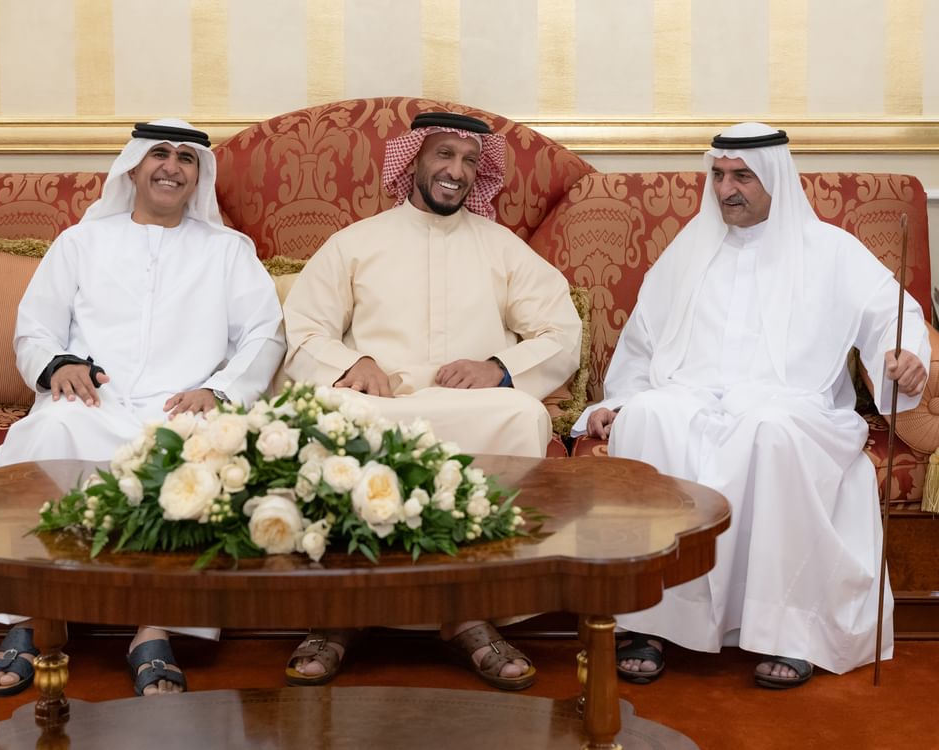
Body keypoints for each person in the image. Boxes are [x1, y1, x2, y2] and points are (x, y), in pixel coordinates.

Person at [572, 122, 929, 689]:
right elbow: (642, 341)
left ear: (775, 179)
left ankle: (789, 632)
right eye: (717, 175)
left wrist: (903, 355)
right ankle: (646, 623)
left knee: (769, 429)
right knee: (648, 417)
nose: (725, 189)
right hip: (690, 396)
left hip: (792, 405)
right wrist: (618, 401)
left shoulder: (831, 250)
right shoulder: (689, 249)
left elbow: (893, 314)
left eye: (741, 176)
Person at [0, 119, 286, 697]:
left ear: (198, 176)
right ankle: (30, 617)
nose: (172, 167)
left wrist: (220, 390)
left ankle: (155, 627)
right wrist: (57, 366)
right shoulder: (81, 242)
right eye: (160, 154)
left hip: (182, 407)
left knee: (202, 453)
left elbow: (265, 334)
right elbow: (35, 328)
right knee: (51, 430)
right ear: (135, 167)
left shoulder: (227, 251)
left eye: (186, 159)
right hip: (92, 402)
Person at [283, 111, 583, 689]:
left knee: (521, 414)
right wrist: (352, 365)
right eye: (444, 155)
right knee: (327, 417)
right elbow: (301, 328)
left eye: (470, 161)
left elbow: (562, 332)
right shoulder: (356, 243)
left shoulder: (501, 247)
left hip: (469, 405)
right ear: (414, 160)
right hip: (381, 401)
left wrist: (499, 368)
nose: (457, 171)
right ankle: (341, 612)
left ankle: (469, 612)